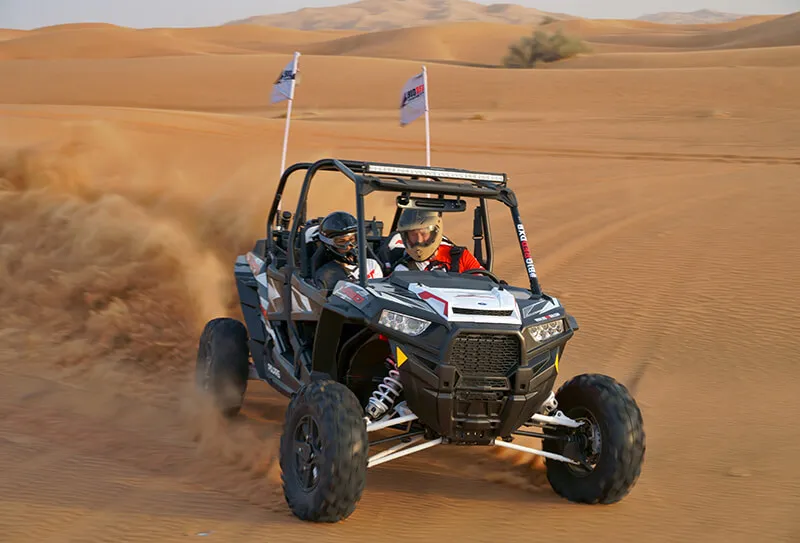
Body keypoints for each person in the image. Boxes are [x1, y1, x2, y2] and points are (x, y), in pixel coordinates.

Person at [389, 209, 483, 273]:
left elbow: (484, 284)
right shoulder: (402, 269)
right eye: (413, 235)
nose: (419, 240)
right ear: (406, 237)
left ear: (434, 233)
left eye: (424, 234)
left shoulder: (460, 257)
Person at [312, 211, 383, 292]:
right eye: (342, 241)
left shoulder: (371, 265)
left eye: (352, 239)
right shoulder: (326, 276)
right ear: (330, 245)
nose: (349, 245)